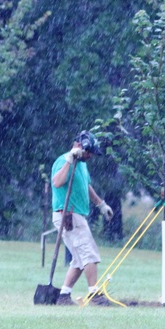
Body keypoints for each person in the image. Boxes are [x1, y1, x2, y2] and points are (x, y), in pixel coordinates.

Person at [50, 130, 114, 306]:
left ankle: (63, 296)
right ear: (79, 146)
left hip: (77, 215)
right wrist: (69, 160)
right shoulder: (63, 161)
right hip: (68, 215)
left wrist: (101, 204)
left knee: (79, 260)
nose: (90, 155)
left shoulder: (82, 165)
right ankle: (94, 294)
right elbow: (57, 182)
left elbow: (86, 186)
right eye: (89, 151)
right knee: (89, 254)